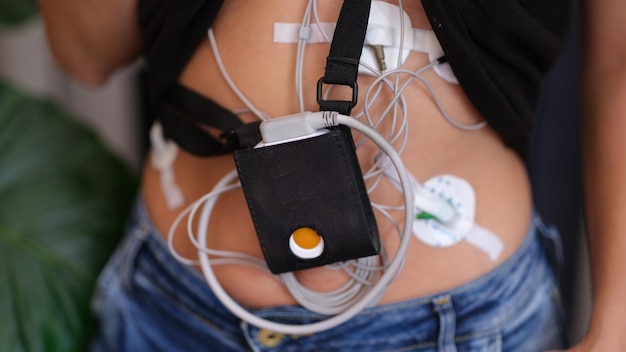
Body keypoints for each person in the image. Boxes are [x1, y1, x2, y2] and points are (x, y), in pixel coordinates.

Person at [37, 0, 625, 350]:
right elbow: (88, 53)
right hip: (176, 309)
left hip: (451, 326)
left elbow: (619, 59)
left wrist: (616, 324)